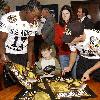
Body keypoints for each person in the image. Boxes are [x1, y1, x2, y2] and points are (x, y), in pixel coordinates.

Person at [0, 0, 41, 87]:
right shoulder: (8, 18)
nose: (35, 19)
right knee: (10, 83)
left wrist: (30, 60)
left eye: (37, 17)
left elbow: (31, 42)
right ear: (28, 11)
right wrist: (2, 54)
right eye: (34, 16)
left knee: (23, 82)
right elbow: (1, 39)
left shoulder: (34, 23)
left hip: (23, 55)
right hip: (9, 54)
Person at [54, 5, 76, 77]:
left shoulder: (76, 25)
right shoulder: (57, 26)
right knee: (65, 75)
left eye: (67, 13)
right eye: (63, 13)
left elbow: (79, 40)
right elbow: (56, 42)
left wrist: (70, 38)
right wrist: (64, 38)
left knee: (74, 75)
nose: (65, 15)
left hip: (75, 53)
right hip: (63, 54)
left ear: (70, 14)